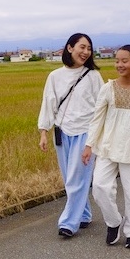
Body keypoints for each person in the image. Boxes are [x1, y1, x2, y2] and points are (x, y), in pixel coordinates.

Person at [81, 45, 130, 249]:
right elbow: (97, 119)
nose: (120, 64)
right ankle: (114, 221)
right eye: (117, 61)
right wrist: (89, 144)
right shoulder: (108, 88)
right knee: (99, 187)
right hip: (107, 148)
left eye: (125, 60)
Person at [38, 33, 103, 238]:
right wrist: (43, 132)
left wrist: (96, 139)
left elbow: (102, 108)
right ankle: (83, 215)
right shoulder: (55, 76)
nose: (85, 52)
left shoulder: (92, 76)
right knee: (70, 180)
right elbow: (48, 103)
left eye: (88, 48)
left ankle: (68, 223)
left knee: (77, 179)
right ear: (69, 48)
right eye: (81, 47)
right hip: (62, 132)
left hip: (85, 132)